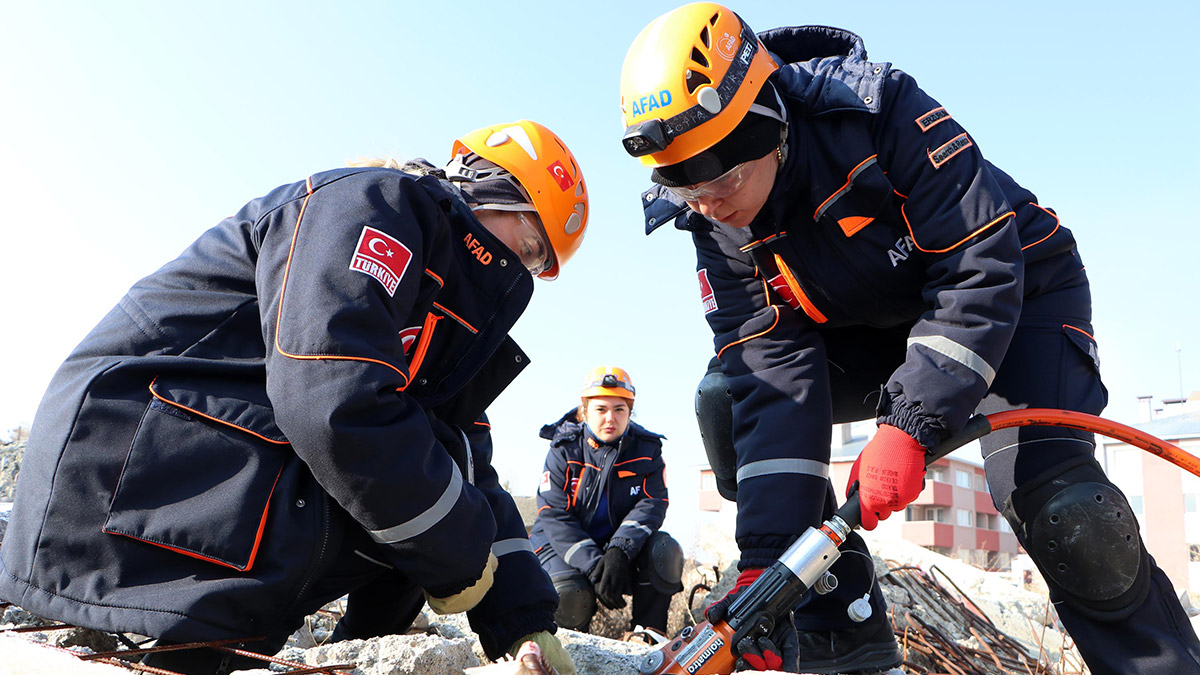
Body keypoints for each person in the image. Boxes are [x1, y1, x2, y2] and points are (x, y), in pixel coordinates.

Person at [619, 3, 1200, 674]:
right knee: (727, 400)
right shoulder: (712, 220)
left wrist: (912, 420)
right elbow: (770, 369)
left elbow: (980, 266)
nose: (708, 204)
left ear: (766, 120)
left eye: (720, 178)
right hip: (872, 330)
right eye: (684, 188)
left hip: (1014, 297)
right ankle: (847, 640)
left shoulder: (878, 110)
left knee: (1065, 508)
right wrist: (766, 562)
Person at [0, 120, 588, 675]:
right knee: (401, 471)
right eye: (531, 242)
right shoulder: (373, 205)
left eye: (537, 263)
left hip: (189, 455)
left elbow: (464, 458)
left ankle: (317, 649)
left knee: (420, 465)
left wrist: (523, 624)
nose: (525, 267)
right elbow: (329, 391)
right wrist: (457, 549)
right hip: (118, 455)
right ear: (486, 191)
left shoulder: (439, 318)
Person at [529, 367, 684, 639]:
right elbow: (554, 515)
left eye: (619, 409)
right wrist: (593, 564)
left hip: (617, 545)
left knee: (665, 552)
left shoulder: (647, 449)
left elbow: (652, 503)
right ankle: (570, 652)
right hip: (559, 546)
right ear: (584, 411)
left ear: (630, 412)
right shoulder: (563, 449)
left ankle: (648, 639)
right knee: (570, 594)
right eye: (601, 409)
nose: (610, 418)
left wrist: (619, 551)